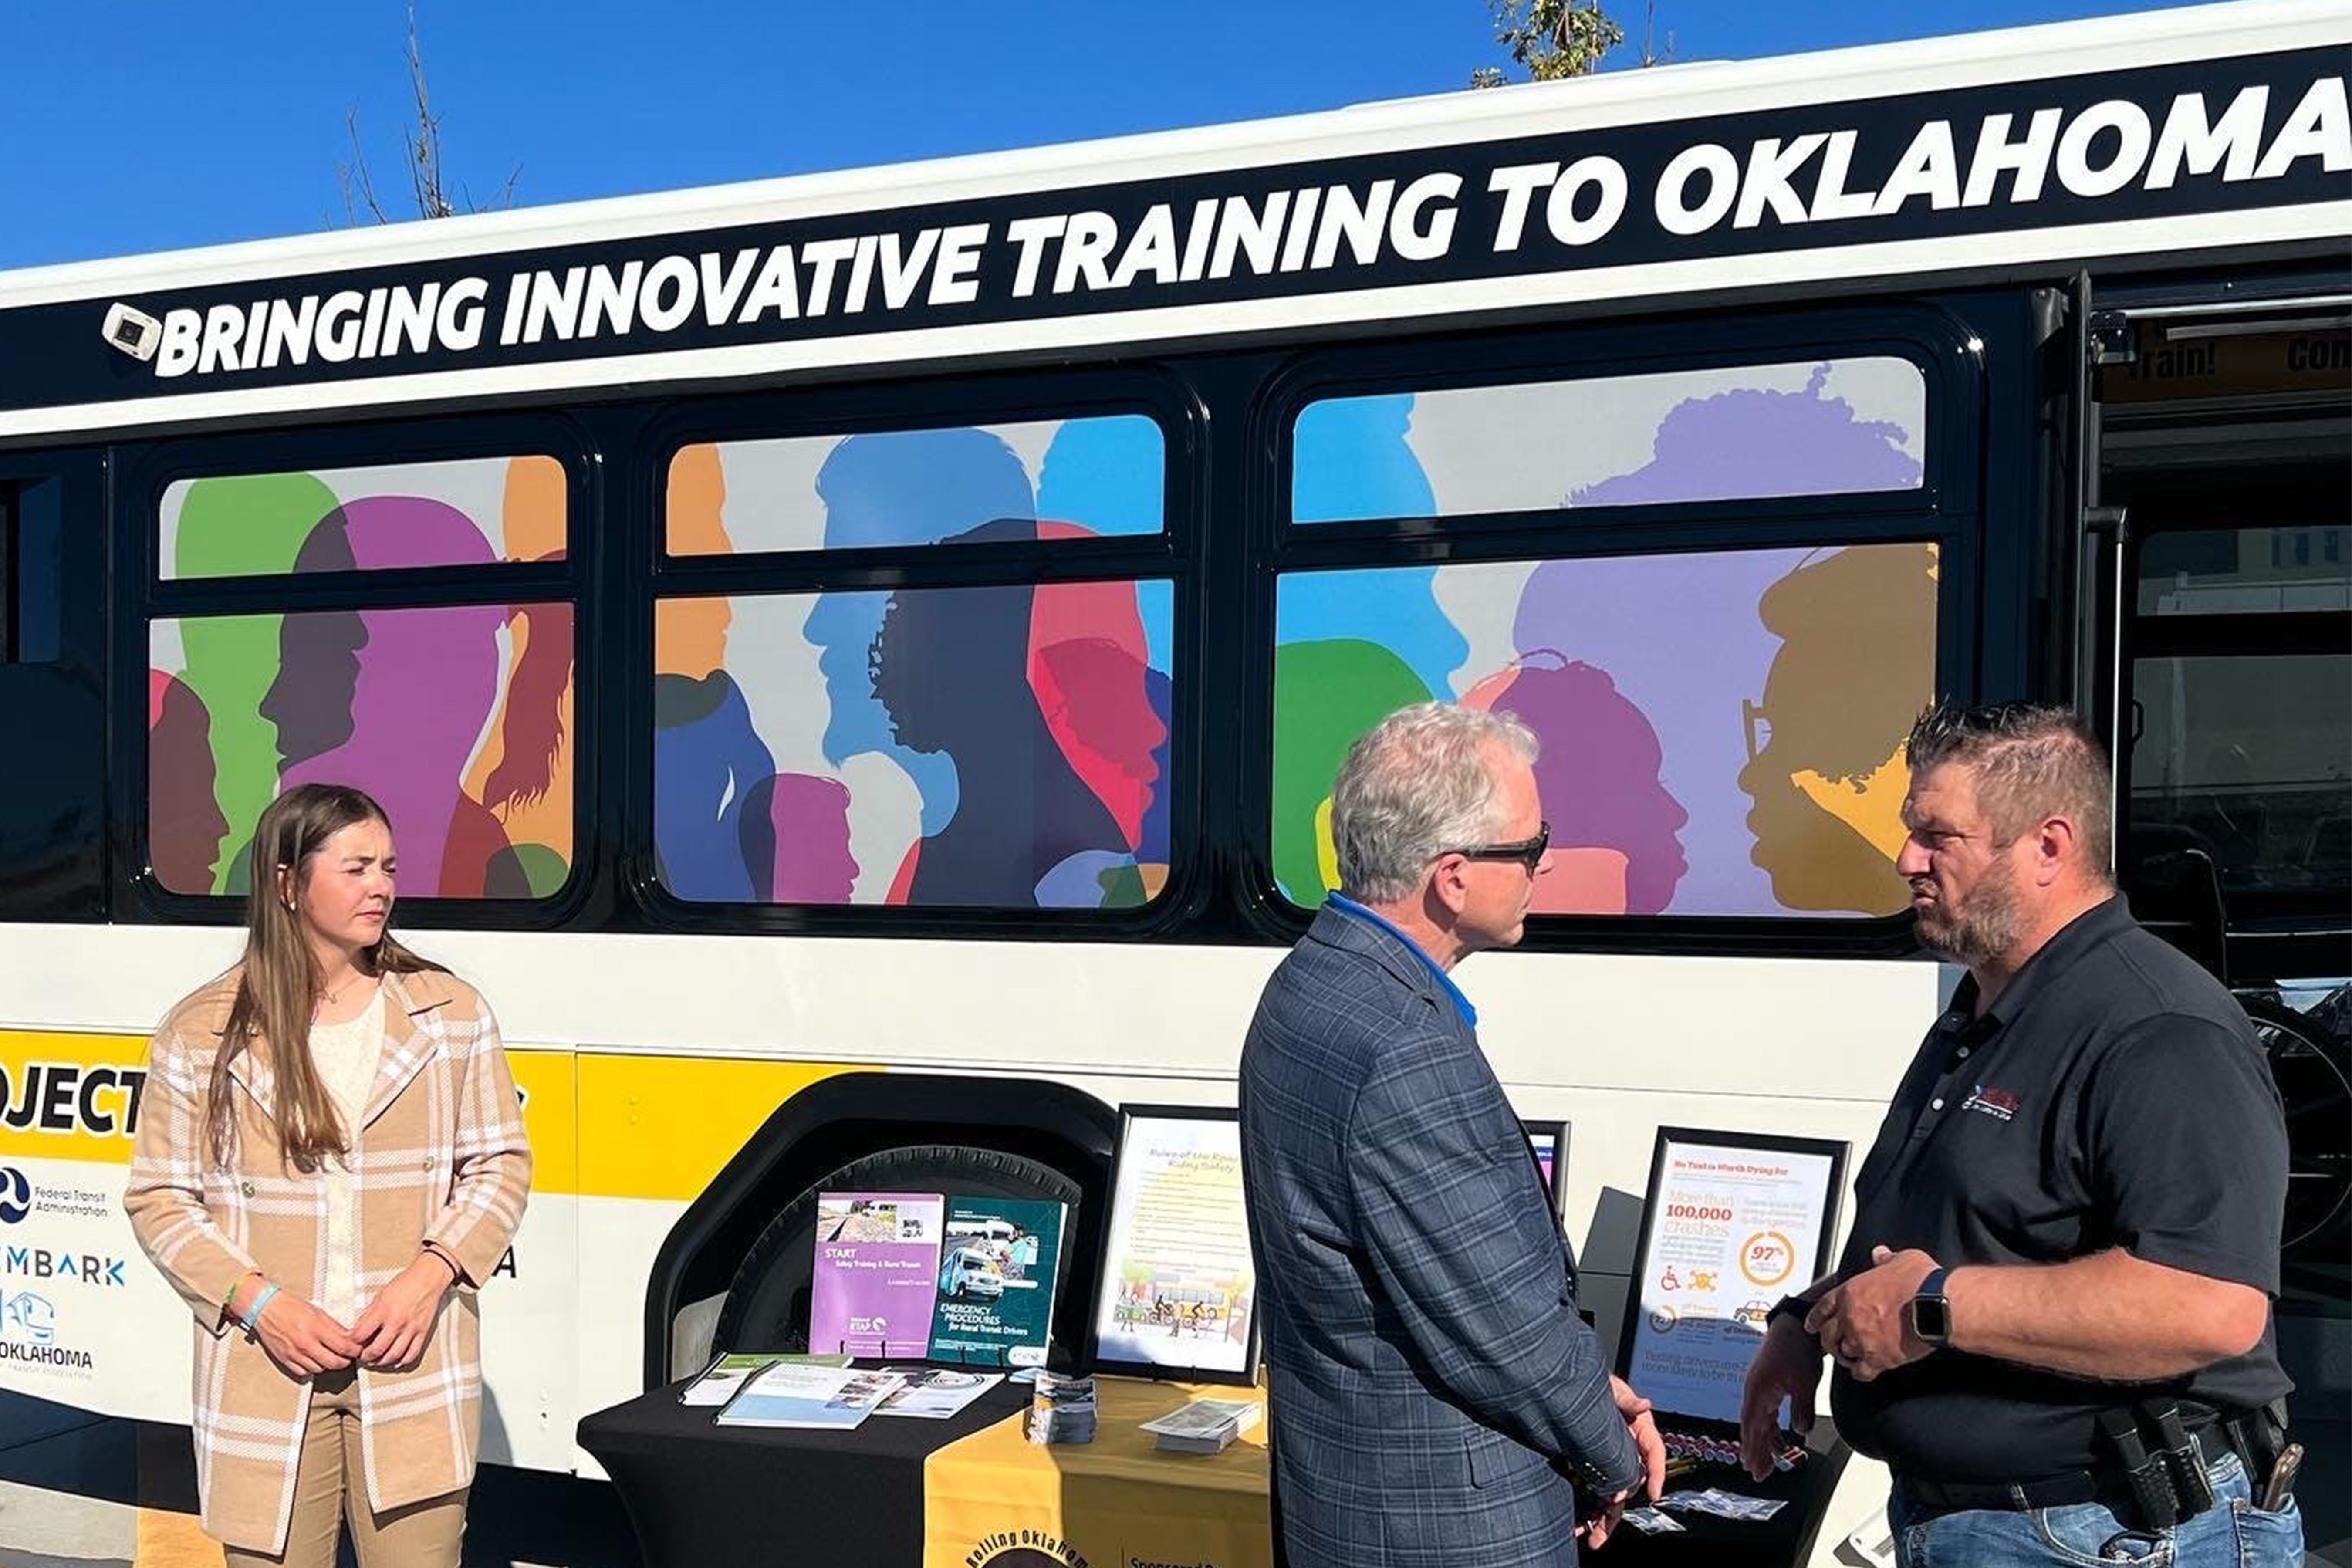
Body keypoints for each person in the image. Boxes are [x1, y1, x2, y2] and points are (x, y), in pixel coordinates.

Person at [1738, 702, 2301, 1567]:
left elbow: (2212, 1306)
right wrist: (1805, 1323)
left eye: (1938, 837)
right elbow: (1959, 1232)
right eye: (1909, 832)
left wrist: (1933, 1310)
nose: (1905, 861)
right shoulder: (1986, 1006)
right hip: (1982, 1525)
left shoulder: (2158, 1029)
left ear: (2048, 846)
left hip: (2108, 1533)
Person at [1240, 702, 1665, 1568]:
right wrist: (1608, 1452)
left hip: (1356, 1500)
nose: (1543, 867)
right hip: (1449, 1523)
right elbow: (1500, 1322)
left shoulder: (1309, 984)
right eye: (1532, 846)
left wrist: (1586, 1395)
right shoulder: (1402, 1042)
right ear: (1454, 878)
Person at [125, 784, 533, 1567]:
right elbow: (161, 1200)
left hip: (412, 1366)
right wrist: (262, 1305)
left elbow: (499, 1165)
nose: (381, 886)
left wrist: (430, 1275)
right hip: (267, 1370)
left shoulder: (449, 1012)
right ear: (287, 882)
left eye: (388, 866)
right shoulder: (202, 1029)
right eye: (355, 868)